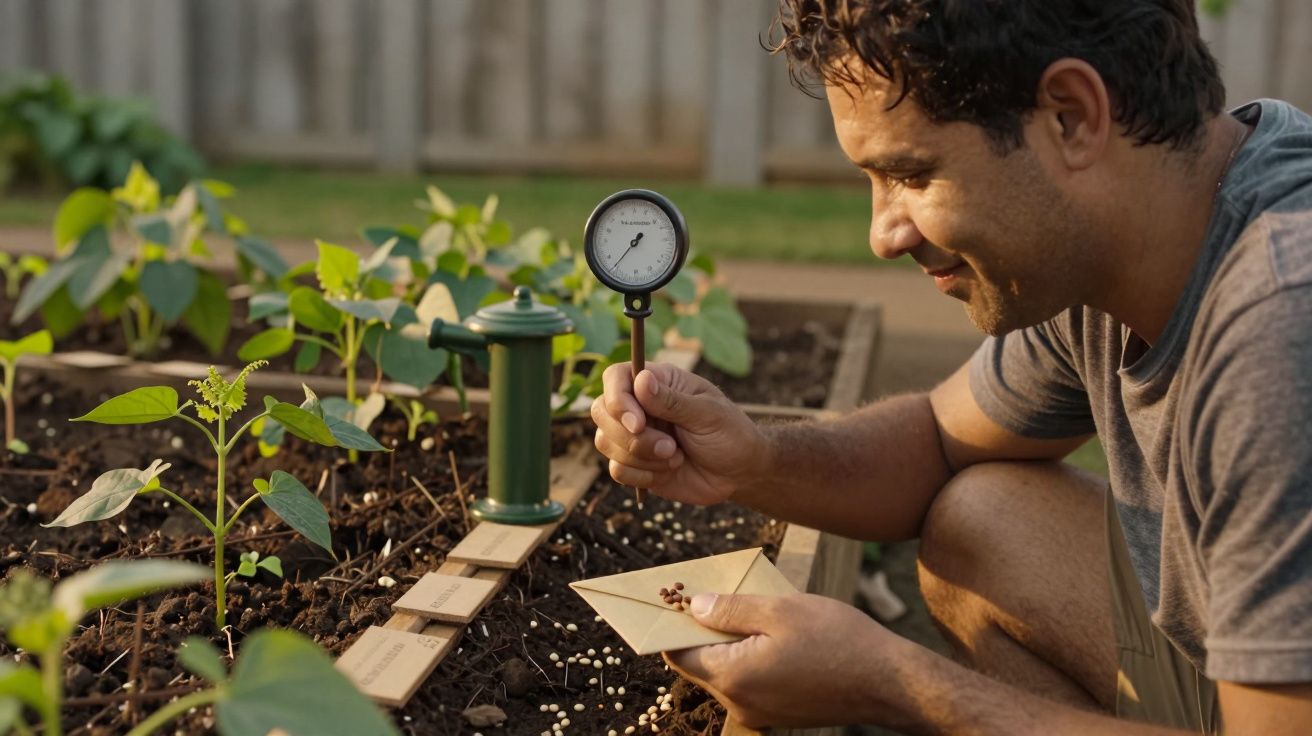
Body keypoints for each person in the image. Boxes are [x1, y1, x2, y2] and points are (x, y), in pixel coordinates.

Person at [590, 1, 1312, 733]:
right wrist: (749, 460)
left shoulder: (1282, 323)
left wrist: (893, 682)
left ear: (1070, 116)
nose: (883, 235)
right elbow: (938, 439)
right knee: (985, 519)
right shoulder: (1124, 232)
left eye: (909, 173)